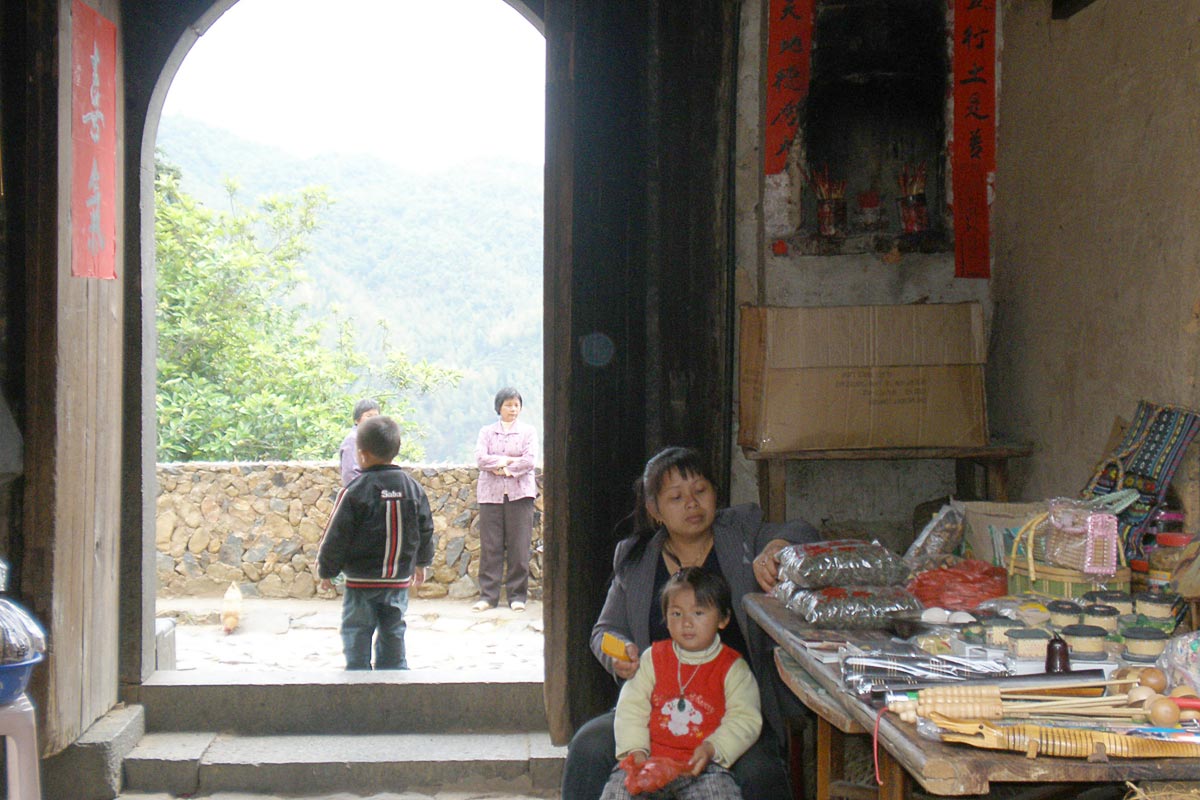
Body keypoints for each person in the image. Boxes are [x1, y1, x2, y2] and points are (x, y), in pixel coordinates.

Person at [562, 446, 821, 800]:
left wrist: (777, 547)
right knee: (588, 748)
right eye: (676, 497)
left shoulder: (740, 533)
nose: (692, 504)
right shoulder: (635, 559)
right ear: (654, 510)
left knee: (761, 774)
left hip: (732, 708)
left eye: (701, 491)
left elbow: (803, 531)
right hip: (653, 708)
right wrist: (618, 652)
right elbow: (603, 632)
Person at [599, 567, 760, 800]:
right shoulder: (653, 658)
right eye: (676, 614)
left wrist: (713, 748)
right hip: (650, 759)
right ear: (665, 618)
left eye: (698, 613)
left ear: (723, 619)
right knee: (617, 792)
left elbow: (745, 718)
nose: (686, 623)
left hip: (702, 767)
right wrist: (636, 751)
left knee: (720, 795)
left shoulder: (733, 668)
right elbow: (632, 707)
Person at [317, 415, 434, 670]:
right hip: (398, 581)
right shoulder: (413, 488)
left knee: (357, 631)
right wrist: (422, 563)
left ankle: (358, 679)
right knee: (393, 630)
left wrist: (327, 571)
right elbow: (425, 528)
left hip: (361, 583)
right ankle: (394, 679)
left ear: (362, 455)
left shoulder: (355, 490)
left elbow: (336, 535)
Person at [472, 387, 538, 612]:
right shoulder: (486, 432)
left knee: (519, 545)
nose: (513, 409)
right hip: (491, 495)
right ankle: (488, 596)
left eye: (516, 405)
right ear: (499, 407)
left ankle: (517, 595)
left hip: (520, 494)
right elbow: (481, 459)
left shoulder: (528, 432)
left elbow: (529, 460)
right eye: (508, 405)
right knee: (491, 546)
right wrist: (507, 461)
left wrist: (506, 469)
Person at [338, 398, 380, 486]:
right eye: (369, 416)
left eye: (376, 416)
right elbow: (350, 472)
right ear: (357, 419)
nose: (373, 420)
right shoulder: (353, 439)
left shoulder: (371, 438)